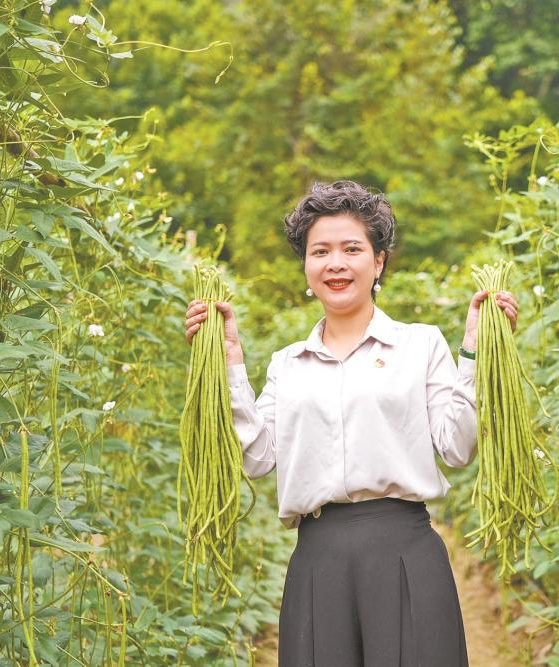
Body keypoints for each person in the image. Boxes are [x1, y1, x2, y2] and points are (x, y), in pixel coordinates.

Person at [183, 179, 519, 667]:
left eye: (351, 248)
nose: (335, 263)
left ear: (378, 261)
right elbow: (258, 460)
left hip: (406, 552)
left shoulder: (420, 345)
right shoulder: (287, 363)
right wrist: (231, 360)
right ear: (306, 266)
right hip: (319, 560)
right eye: (320, 251)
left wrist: (473, 349)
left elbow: (457, 447)